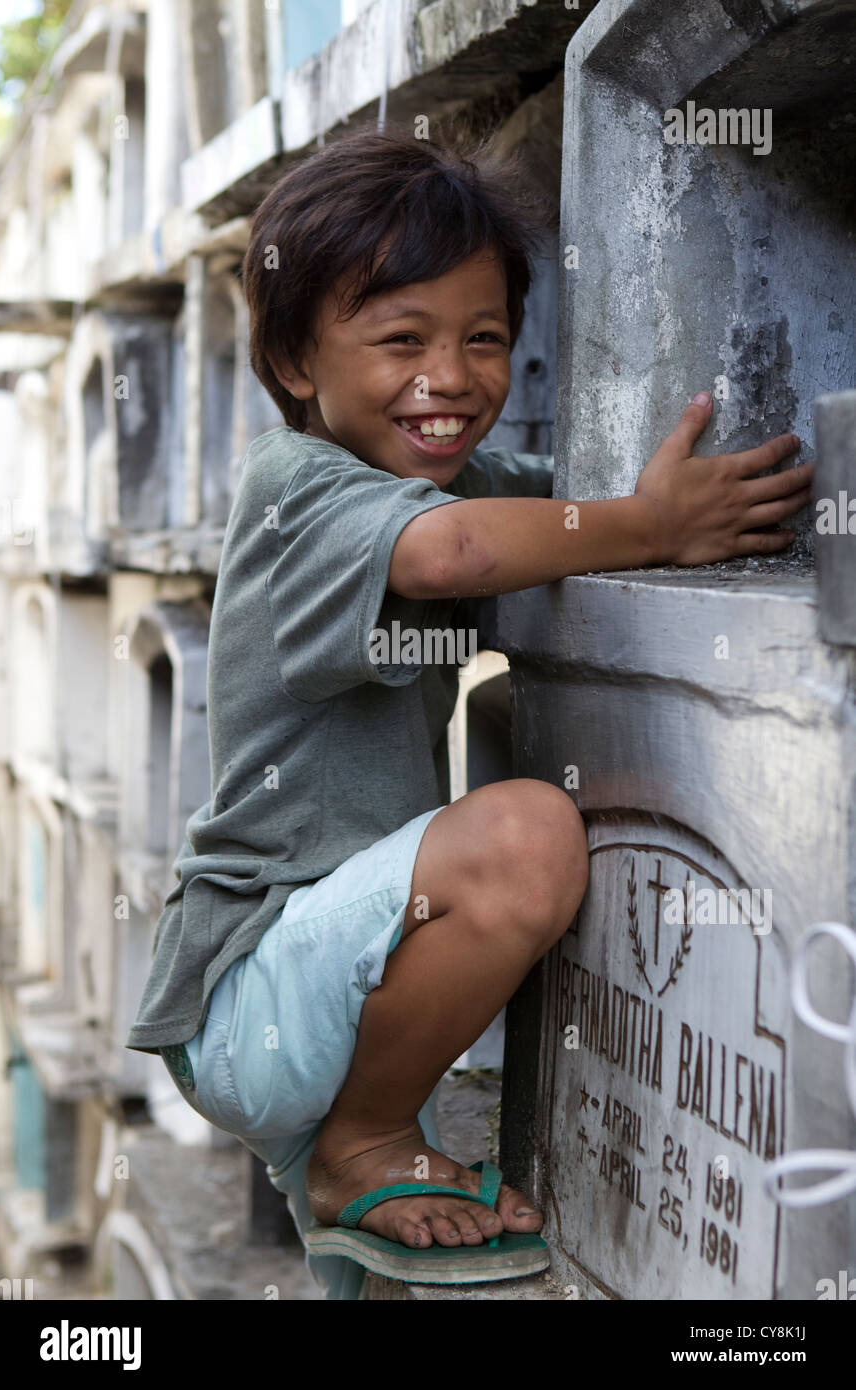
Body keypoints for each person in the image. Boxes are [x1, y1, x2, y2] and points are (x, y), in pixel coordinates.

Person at [125, 124, 813, 1300]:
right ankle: (360, 1143)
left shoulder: (448, 483)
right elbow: (448, 556)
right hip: (257, 981)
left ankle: (363, 1152)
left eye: (484, 339)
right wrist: (649, 524)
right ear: (296, 364)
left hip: (350, 976)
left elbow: (542, 514)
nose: (448, 378)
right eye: (400, 339)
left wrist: (647, 497)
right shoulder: (300, 491)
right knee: (526, 835)